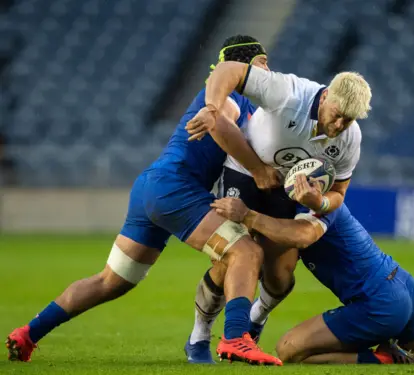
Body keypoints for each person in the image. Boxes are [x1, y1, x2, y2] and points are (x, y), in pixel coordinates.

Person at [6, 35, 283, 366]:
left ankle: (27, 334)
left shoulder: (238, 98)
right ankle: (237, 338)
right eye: (263, 63)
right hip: (176, 188)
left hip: (151, 187)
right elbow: (218, 121)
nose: (270, 70)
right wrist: (260, 170)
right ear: (246, 65)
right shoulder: (229, 94)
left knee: (111, 281)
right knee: (246, 252)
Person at [210, 174, 414, 365]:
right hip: (405, 288)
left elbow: (297, 235)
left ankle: (382, 359)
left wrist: (248, 216)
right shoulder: (325, 202)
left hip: (379, 303)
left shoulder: (311, 214)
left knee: (289, 350)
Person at [184, 60, 372, 357]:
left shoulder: (351, 137)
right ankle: (200, 335)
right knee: (233, 256)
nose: (339, 126)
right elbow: (227, 70)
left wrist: (319, 203)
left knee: (281, 273)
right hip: (245, 171)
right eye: (337, 116)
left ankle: (257, 318)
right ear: (325, 98)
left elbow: (339, 192)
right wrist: (211, 107)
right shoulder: (288, 93)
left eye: (348, 121)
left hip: (289, 190)